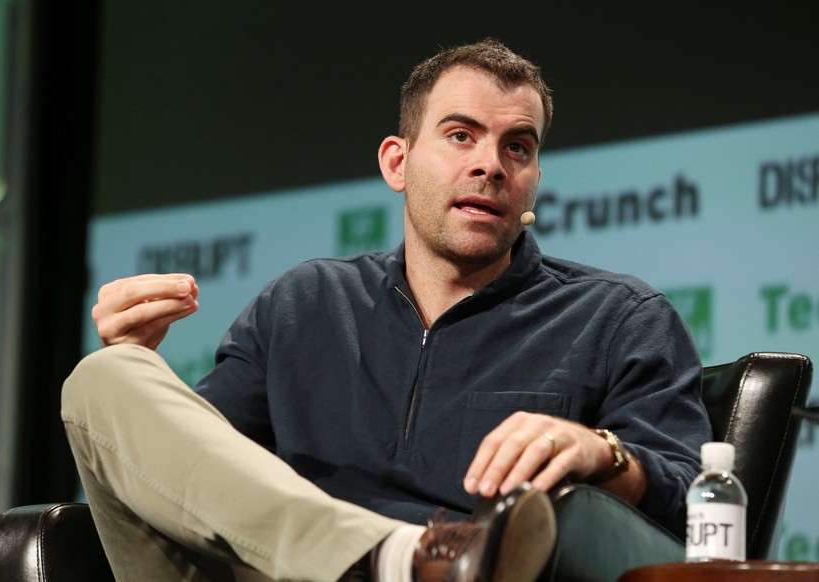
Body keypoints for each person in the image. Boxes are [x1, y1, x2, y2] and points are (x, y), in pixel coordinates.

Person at [61, 38, 712, 582]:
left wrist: (600, 452)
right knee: (105, 375)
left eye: (517, 147)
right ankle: (399, 558)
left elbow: (699, 516)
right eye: (461, 136)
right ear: (396, 163)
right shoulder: (305, 303)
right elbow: (203, 483)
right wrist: (139, 370)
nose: (490, 165)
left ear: (534, 179)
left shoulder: (616, 317)